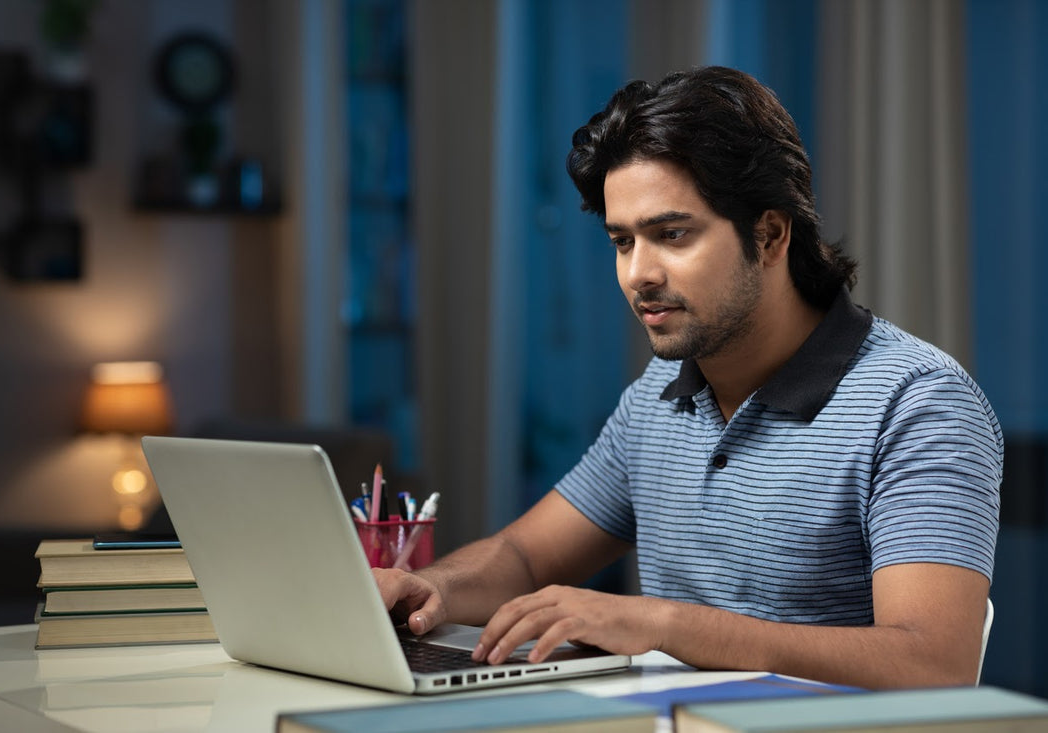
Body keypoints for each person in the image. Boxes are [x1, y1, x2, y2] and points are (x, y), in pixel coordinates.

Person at [374, 66, 1002, 689]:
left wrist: (667, 624)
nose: (638, 274)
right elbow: (525, 555)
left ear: (771, 234)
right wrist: (431, 589)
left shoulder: (920, 401)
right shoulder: (659, 394)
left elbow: (933, 665)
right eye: (622, 241)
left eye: (672, 235)